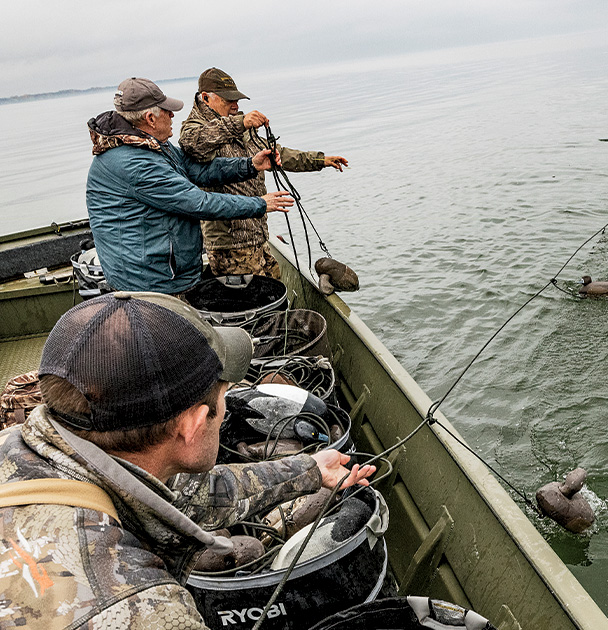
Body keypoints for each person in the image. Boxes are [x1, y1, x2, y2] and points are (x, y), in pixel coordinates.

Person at [0, 291, 374, 627]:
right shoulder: (144, 611)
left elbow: (191, 495)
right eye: (226, 395)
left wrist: (311, 469)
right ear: (194, 424)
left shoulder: (23, 444)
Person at [86, 77, 294, 295]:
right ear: (150, 119)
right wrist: (259, 204)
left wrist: (250, 165)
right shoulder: (135, 164)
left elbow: (195, 169)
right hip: (150, 283)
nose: (172, 115)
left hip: (168, 273)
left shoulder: (151, 145)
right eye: (166, 111)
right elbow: (199, 203)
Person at [180, 68, 349, 279]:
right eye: (229, 100)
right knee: (249, 304)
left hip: (258, 234)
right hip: (229, 244)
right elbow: (193, 144)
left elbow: (279, 154)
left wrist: (320, 160)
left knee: (274, 292)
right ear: (206, 98)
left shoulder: (240, 126)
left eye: (237, 100)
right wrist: (239, 123)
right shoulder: (194, 128)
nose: (236, 106)